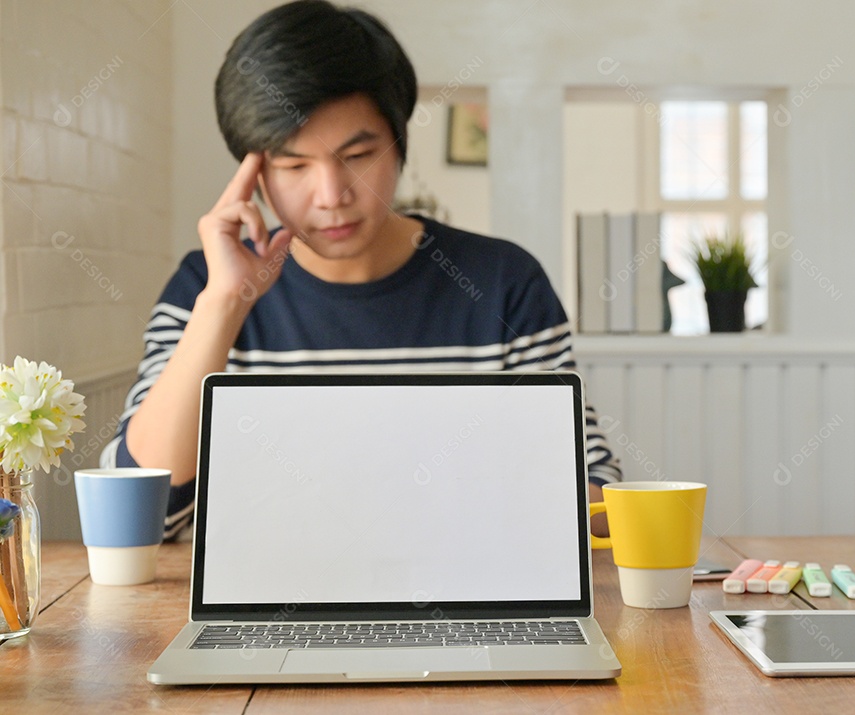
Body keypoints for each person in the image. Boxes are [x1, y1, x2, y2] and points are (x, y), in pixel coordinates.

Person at [100, 0, 620, 539]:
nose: (332, 196)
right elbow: (142, 519)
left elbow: (597, 502)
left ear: (398, 145)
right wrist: (225, 304)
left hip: (466, 599)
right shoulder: (204, 287)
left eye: (358, 155)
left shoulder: (504, 282)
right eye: (294, 165)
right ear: (253, 173)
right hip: (272, 613)